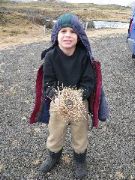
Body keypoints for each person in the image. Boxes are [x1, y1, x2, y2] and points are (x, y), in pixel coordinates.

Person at [30, 13, 109, 179]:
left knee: (80, 132)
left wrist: (79, 95)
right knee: (55, 131)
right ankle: (54, 156)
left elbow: (89, 82)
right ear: (56, 35)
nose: (67, 35)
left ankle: (80, 159)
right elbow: (48, 84)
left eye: (72, 32)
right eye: (63, 31)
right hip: (57, 102)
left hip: (79, 102)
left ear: (79, 36)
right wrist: (56, 96)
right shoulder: (51, 57)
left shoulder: (83, 57)